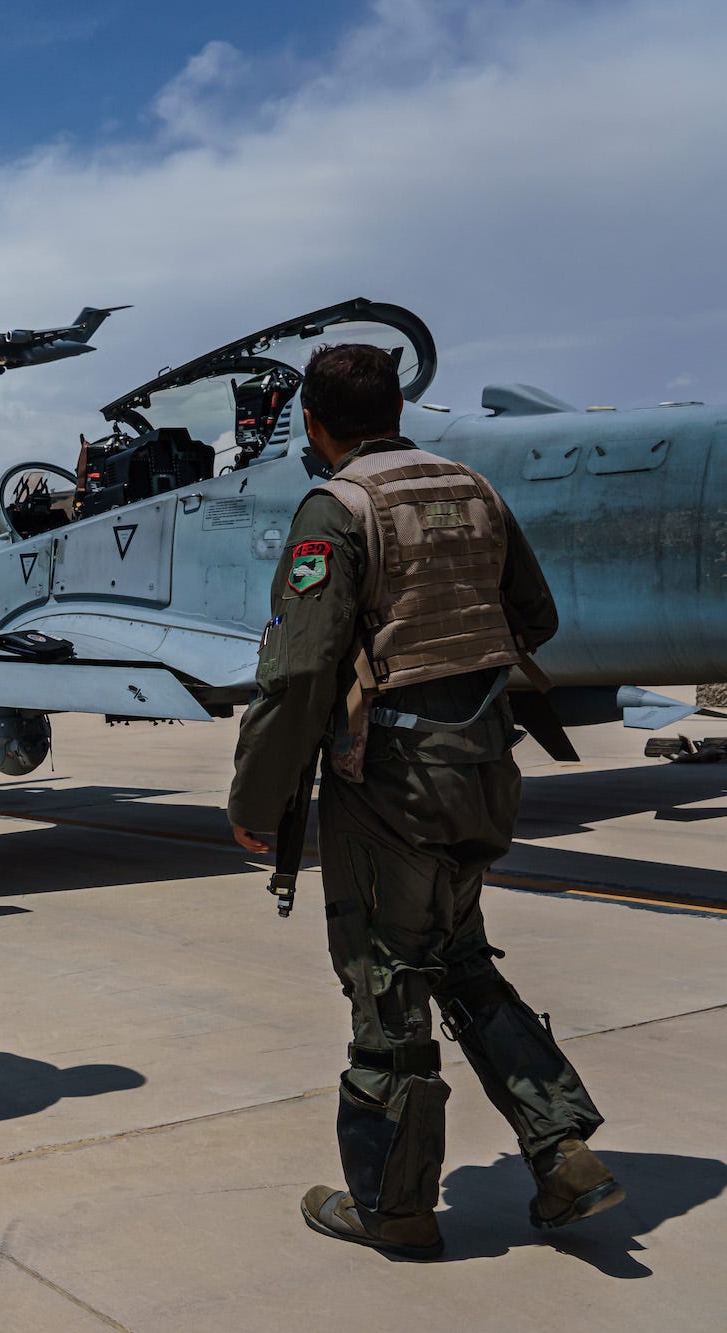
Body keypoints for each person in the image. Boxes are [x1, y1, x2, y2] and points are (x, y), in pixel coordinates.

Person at [228, 347, 620, 1260]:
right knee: (463, 961)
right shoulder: (471, 488)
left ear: (317, 427)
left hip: (390, 787)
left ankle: (393, 1208)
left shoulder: (338, 506)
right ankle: (565, 1154)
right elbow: (536, 614)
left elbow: (295, 675)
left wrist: (256, 799)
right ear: (396, 408)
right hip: (482, 767)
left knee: (387, 988)